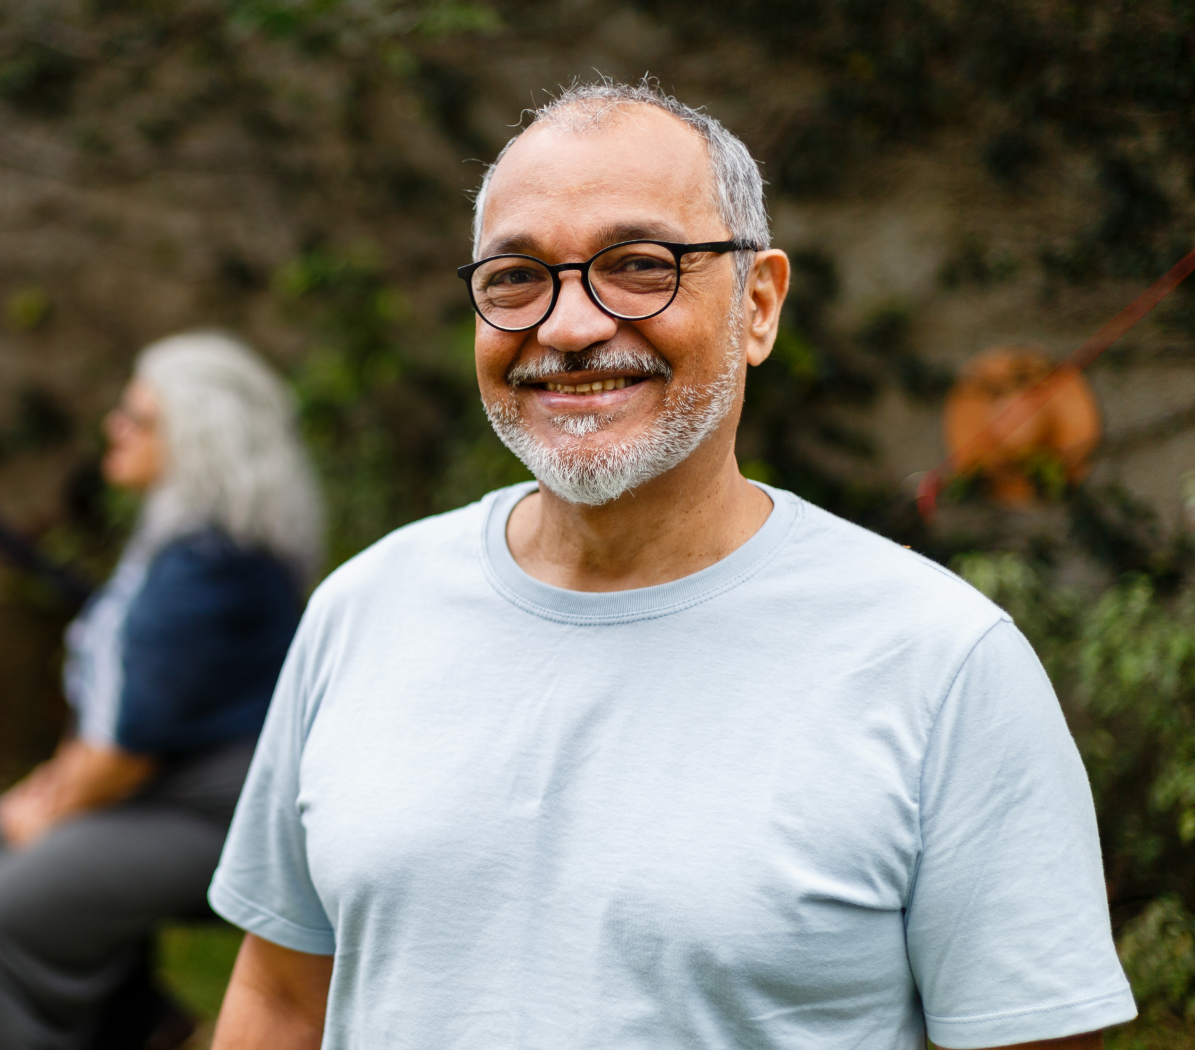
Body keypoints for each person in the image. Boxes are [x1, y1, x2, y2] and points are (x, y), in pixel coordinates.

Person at [207, 79, 1136, 1050]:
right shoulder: (367, 608)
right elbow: (279, 999)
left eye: (640, 264)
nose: (566, 327)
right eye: (516, 276)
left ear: (759, 304)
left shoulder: (940, 663)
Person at [0, 331, 322, 1050]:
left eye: (137, 418)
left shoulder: (212, 565)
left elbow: (125, 751)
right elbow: (118, 712)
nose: (113, 429)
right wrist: (50, 790)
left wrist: (52, 805)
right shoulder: (185, 537)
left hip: (215, 818)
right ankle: (143, 1029)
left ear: (195, 438)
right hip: (162, 790)